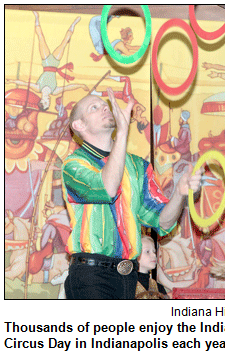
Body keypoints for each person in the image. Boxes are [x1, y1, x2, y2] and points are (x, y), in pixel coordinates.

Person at [62, 88, 202, 299]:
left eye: (104, 105)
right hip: (91, 274)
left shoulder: (137, 166)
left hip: (128, 276)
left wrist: (180, 194)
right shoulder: (74, 165)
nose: (104, 108)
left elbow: (163, 222)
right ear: (79, 125)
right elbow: (108, 188)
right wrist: (123, 132)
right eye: (94, 107)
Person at [6, 11, 88, 111]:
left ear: (41, 100)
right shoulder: (54, 91)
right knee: (65, 42)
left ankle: (37, 18)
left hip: (46, 62)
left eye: (46, 102)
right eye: (48, 103)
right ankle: (74, 24)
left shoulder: (38, 88)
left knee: (41, 38)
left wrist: (11, 81)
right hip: (55, 63)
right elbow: (69, 87)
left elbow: (23, 83)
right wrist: (81, 85)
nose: (48, 101)